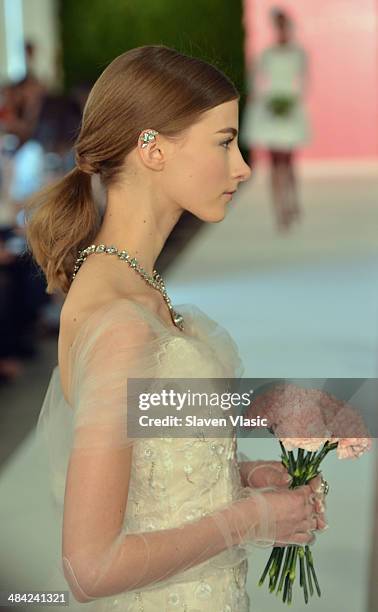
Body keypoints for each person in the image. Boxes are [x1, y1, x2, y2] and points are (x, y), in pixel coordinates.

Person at [25, 45, 326, 611]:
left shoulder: (130, 287)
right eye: (224, 141)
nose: (242, 165)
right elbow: (88, 568)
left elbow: (145, 470)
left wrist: (240, 476)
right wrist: (250, 519)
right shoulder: (121, 319)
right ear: (153, 148)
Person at [241, 8, 311, 231]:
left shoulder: (298, 53)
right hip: (272, 108)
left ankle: (292, 202)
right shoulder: (268, 54)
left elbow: (304, 82)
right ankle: (280, 209)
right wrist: (264, 101)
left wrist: (293, 101)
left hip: (288, 107)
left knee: (288, 161)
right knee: (275, 162)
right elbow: (255, 80)